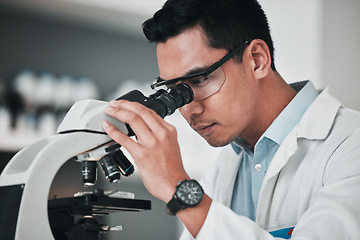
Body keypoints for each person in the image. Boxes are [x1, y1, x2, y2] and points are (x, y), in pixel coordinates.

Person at [102, 0, 360, 239]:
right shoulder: (225, 167)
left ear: (257, 60)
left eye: (200, 80)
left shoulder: (350, 145)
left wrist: (179, 188)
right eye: (174, 91)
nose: (189, 109)